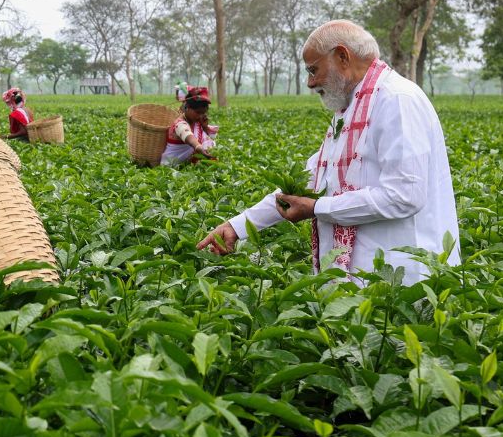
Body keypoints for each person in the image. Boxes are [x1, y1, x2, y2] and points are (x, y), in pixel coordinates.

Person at [198, 20, 460, 285]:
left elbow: (405, 195)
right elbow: (310, 181)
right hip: (361, 280)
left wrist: (318, 208)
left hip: (403, 281)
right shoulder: (350, 109)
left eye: (314, 70)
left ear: (343, 56)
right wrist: (238, 226)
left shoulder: (397, 100)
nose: (311, 82)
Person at [161, 86, 218, 165]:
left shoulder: (198, 123)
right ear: (187, 107)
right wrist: (198, 147)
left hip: (187, 166)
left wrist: (205, 127)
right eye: (198, 112)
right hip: (171, 167)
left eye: (203, 113)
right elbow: (188, 136)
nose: (200, 116)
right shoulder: (179, 123)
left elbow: (211, 138)